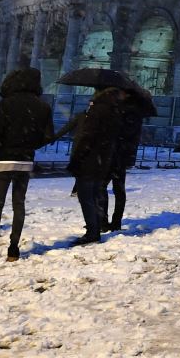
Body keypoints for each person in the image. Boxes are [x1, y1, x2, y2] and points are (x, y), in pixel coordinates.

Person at [0, 67, 54, 264]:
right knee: (19, 204)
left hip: (4, 160)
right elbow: (48, 136)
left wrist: (0, 146)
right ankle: (13, 248)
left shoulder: (7, 104)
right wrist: (28, 146)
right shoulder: (43, 107)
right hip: (25, 161)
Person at [66, 87, 125, 245]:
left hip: (90, 160)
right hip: (104, 160)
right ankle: (96, 226)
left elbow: (87, 137)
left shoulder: (96, 112)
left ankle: (92, 231)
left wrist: (77, 159)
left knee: (86, 197)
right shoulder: (115, 113)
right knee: (95, 194)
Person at [107, 90, 152, 232]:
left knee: (110, 187)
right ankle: (112, 221)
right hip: (120, 154)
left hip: (118, 154)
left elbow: (125, 133)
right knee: (116, 188)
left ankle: (111, 221)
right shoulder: (130, 112)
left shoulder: (129, 113)